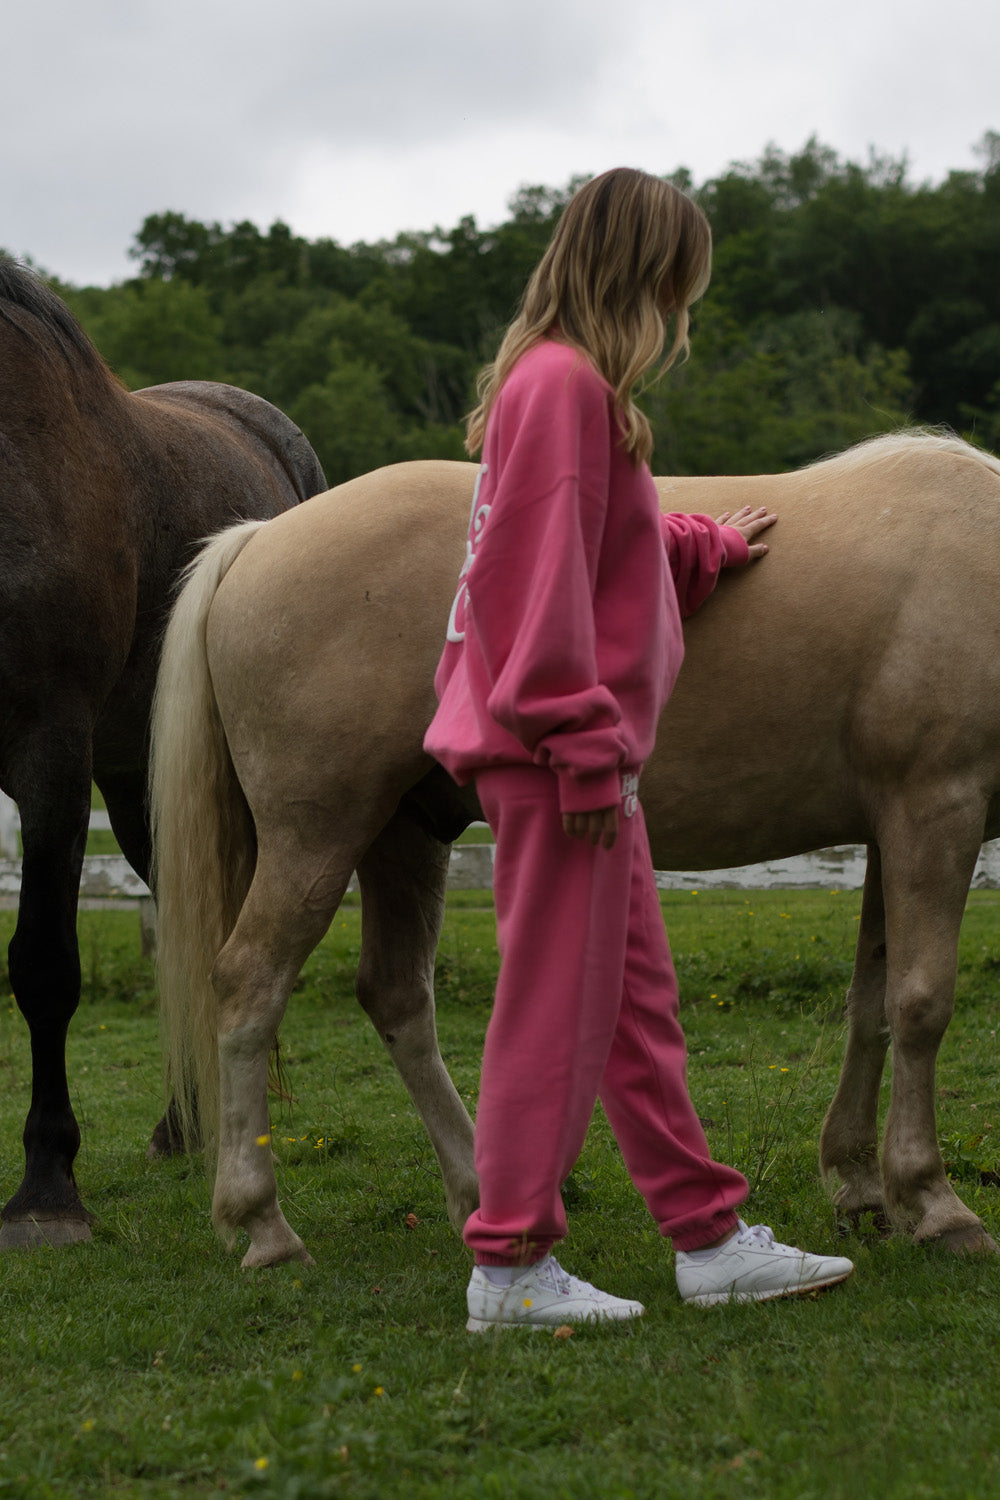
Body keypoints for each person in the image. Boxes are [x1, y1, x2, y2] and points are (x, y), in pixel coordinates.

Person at [424, 167, 854, 1329]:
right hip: (558, 756)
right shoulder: (563, 388)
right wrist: (577, 745)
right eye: (683, 284)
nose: (684, 311)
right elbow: (536, 580)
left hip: (562, 752)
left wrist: (698, 546)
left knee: (630, 1007)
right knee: (551, 1010)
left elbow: (593, 542)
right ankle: (509, 1267)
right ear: (650, 273)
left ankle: (706, 1238)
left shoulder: (554, 384)